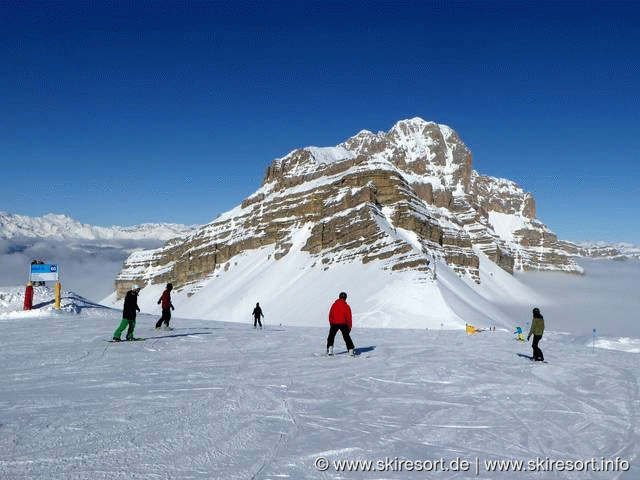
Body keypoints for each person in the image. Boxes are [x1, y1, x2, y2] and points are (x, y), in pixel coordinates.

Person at [327, 292, 355, 356]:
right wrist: (349, 326)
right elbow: (349, 317)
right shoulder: (346, 306)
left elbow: (330, 314)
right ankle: (350, 349)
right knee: (346, 337)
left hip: (334, 323)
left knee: (331, 336)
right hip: (343, 323)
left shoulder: (334, 305)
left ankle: (330, 349)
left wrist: (331, 323)